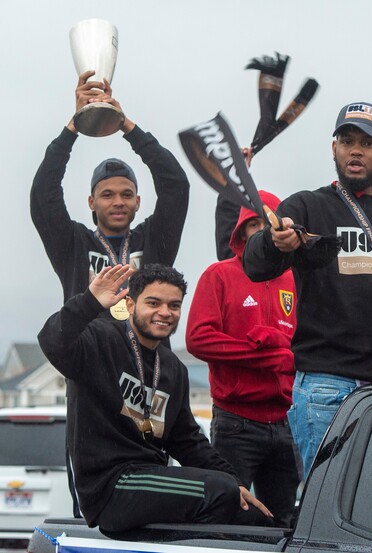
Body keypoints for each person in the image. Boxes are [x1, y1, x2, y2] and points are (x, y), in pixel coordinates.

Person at [243, 102, 372, 477]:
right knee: (326, 508)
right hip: (326, 386)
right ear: (333, 148)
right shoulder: (307, 206)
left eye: (367, 143)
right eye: (347, 140)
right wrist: (275, 242)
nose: (356, 150)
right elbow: (256, 266)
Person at [37, 264, 272, 532]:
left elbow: (188, 441)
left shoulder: (173, 368)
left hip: (150, 479)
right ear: (129, 304)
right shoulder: (99, 341)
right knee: (219, 492)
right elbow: (52, 341)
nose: (165, 312)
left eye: (174, 305)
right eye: (153, 302)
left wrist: (236, 482)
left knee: (251, 516)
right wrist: (89, 302)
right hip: (112, 485)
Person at [186, 190, 300, 527]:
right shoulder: (219, 275)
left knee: (282, 524)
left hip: (287, 423)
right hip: (236, 423)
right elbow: (197, 339)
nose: (260, 230)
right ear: (240, 232)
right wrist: (263, 356)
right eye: (252, 224)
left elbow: (309, 346)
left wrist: (285, 352)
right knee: (226, 522)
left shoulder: (296, 278)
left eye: (268, 222)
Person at [30, 70, 189, 306]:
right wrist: (76, 124)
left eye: (127, 194)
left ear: (137, 202)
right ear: (91, 202)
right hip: (88, 342)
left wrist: (124, 124)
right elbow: (44, 193)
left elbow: (175, 185)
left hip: (144, 343)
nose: (118, 202)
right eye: (107, 195)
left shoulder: (155, 240)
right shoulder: (73, 244)